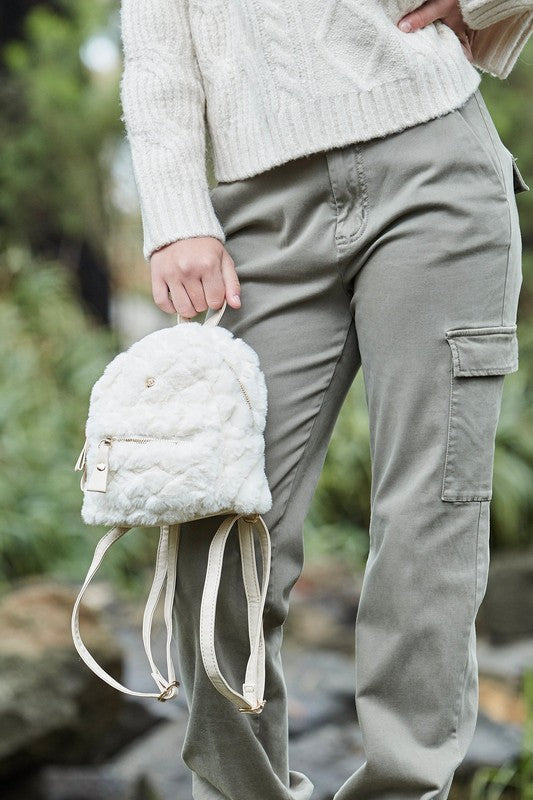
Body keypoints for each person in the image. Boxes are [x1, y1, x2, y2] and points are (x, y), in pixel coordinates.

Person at [119, 1, 533, 798]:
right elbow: (154, 50)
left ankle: (405, 789)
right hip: (256, 213)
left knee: (428, 519)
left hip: (433, 166)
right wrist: (174, 213)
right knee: (217, 530)